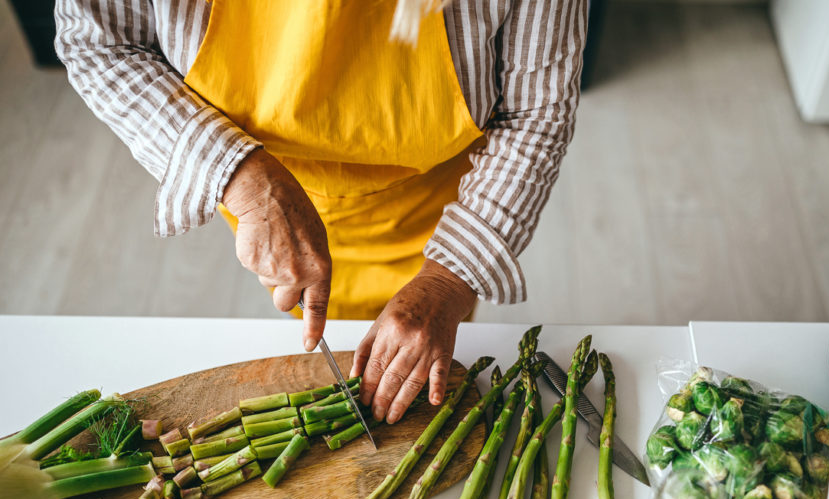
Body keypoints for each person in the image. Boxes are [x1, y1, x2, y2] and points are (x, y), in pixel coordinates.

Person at [55, 0, 587, 423]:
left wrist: (450, 280)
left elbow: (536, 111)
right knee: (310, 326)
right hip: (261, 173)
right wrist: (242, 179)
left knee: (436, 350)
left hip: (439, 198)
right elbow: (97, 40)